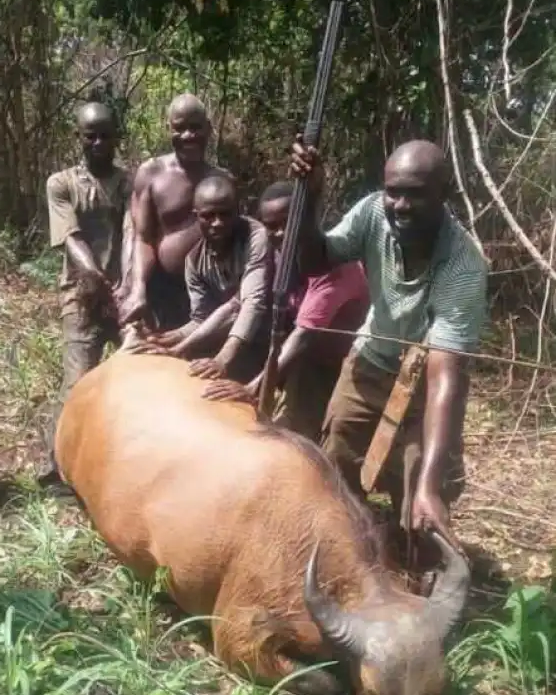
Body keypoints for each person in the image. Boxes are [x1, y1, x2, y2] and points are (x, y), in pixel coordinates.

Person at [289, 138, 488, 552]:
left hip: (425, 380)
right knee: (337, 454)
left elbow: (444, 376)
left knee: (418, 475)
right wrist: (308, 199)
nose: (400, 205)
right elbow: (314, 260)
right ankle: (343, 547)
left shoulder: (464, 264)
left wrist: (430, 486)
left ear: (443, 195)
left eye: (415, 194)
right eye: (393, 191)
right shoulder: (372, 213)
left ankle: (414, 554)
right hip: (371, 357)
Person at [204, 181, 370, 442]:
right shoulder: (275, 254)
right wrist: (181, 344)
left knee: (302, 439)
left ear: (306, 220)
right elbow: (238, 304)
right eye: (271, 226)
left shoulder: (334, 264)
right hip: (298, 356)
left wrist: (252, 387)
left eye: (289, 223)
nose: (281, 233)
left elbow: (303, 335)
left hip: (336, 364)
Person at [39, 101, 132, 487]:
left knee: (134, 379)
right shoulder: (61, 183)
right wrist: (97, 278)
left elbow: (135, 235)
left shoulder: (130, 183)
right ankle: (55, 467)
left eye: (104, 134)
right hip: (81, 296)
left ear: (116, 137)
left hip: (126, 295)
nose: (97, 142)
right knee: (78, 383)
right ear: (78, 136)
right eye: (89, 135)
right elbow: (70, 238)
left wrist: (126, 285)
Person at [141, 174, 270, 382]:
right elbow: (202, 318)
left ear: (238, 211)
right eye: (209, 216)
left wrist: (222, 359)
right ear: (196, 216)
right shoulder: (194, 261)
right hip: (243, 342)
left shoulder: (256, 238)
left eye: (225, 214)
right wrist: (166, 339)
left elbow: (252, 302)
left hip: (280, 335)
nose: (217, 223)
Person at [119, 93, 229, 333]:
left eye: (195, 127)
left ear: (208, 129)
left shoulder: (223, 181)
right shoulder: (151, 173)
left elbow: (235, 243)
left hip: (210, 293)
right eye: (180, 128)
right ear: (168, 129)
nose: (188, 135)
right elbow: (142, 238)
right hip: (163, 293)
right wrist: (137, 289)